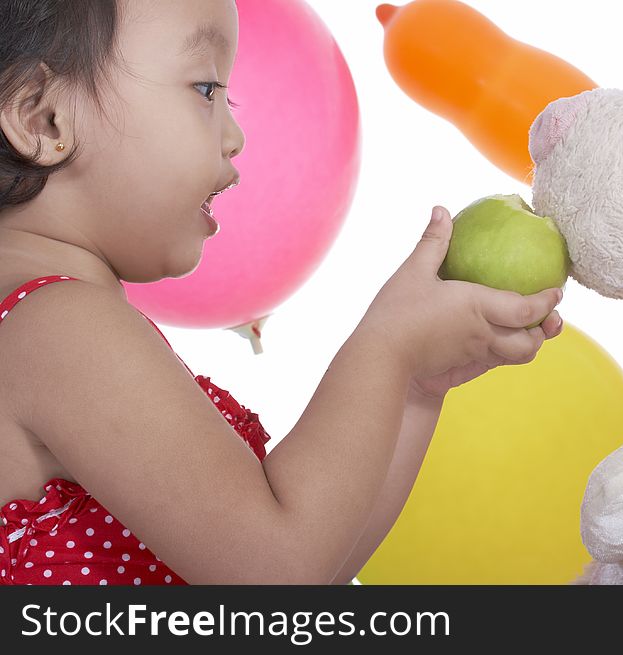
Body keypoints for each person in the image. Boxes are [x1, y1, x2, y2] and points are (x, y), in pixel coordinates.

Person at [0, 0, 564, 585]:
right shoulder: (56, 326)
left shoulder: (52, 324)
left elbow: (320, 563)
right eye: (205, 87)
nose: (236, 136)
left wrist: (416, 387)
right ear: (45, 120)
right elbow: (277, 571)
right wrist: (386, 348)